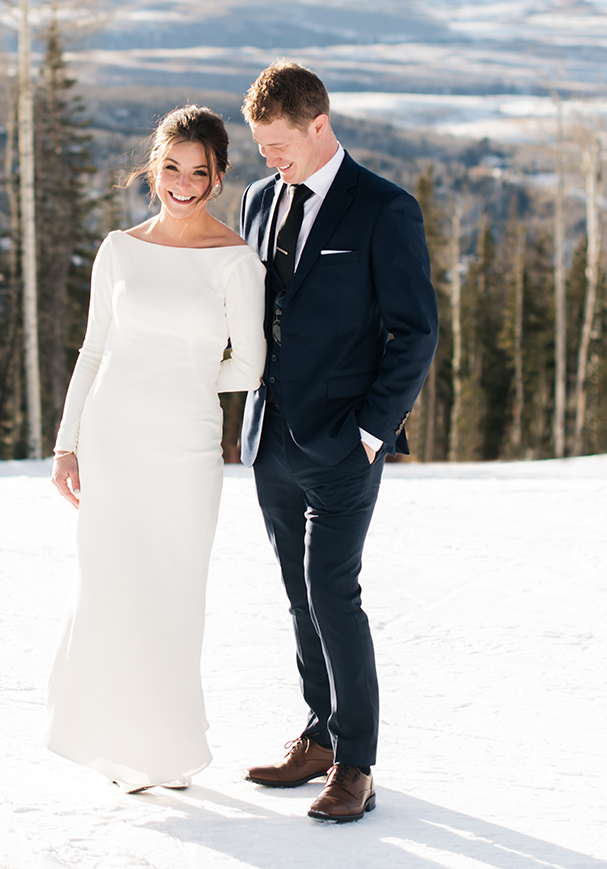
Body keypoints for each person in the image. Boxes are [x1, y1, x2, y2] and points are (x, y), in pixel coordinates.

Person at [237, 61, 438, 823]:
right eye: (261, 147)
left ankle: (356, 763)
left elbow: (415, 331)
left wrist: (370, 433)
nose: (268, 159)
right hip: (270, 440)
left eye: (278, 144)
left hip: (345, 444)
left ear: (319, 125)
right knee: (298, 595)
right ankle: (318, 736)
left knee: (333, 593)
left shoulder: (384, 209)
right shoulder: (259, 199)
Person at [45, 105, 266, 792]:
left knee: (173, 592)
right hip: (113, 439)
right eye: (171, 166)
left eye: (198, 171)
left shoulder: (234, 259)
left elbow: (251, 368)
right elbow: (94, 350)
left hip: (187, 448)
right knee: (112, 587)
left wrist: (188, 379)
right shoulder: (118, 250)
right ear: (154, 167)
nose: (181, 182)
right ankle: (115, 747)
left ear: (218, 177)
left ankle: (167, 751)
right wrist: (67, 444)